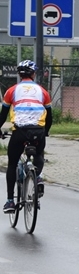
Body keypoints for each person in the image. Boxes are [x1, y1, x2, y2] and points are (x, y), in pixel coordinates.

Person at [0, 60, 53, 213]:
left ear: (19, 75)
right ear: (33, 74)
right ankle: (38, 177)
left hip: (19, 132)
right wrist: (46, 131)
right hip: (38, 131)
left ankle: (10, 201)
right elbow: (49, 117)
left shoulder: (11, 91)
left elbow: (3, 115)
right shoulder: (43, 92)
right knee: (39, 154)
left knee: (12, 164)